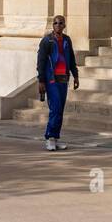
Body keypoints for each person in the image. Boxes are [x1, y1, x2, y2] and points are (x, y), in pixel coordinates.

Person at [36, 16, 79, 151]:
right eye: (55, 23)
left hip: (63, 79)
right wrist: (41, 80)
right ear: (52, 25)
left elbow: (71, 59)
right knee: (55, 108)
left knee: (60, 108)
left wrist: (76, 75)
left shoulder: (67, 40)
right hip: (51, 79)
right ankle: (49, 138)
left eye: (61, 23)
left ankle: (55, 137)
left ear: (64, 25)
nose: (58, 25)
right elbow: (41, 62)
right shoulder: (47, 41)